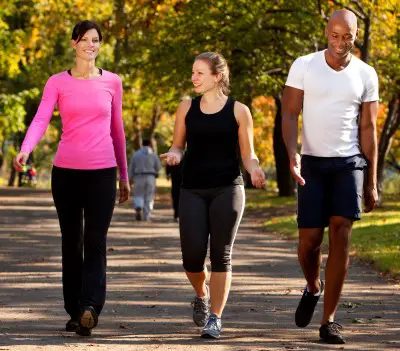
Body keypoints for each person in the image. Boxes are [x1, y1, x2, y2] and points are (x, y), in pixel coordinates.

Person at [13, 20, 130, 336]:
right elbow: (40, 120)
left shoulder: (113, 83)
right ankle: (75, 310)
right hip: (65, 173)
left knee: (95, 240)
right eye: (86, 39)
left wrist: (124, 175)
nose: (92, 45)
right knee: (71, 241)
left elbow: (117, 131)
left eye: (97, 40)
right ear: (74, 42)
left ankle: (90, 307)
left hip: (103, 173)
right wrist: (26, 150)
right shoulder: (56, 83)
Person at [282, 9, 379, 344]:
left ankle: (330, 321)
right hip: (311, 163)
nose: (340, 43)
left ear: (355, 36)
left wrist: (372, 181)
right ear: (326, 31)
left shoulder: (366, 74)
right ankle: (313, 286)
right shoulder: (304, 65)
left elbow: (368, 129)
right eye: (334, 36)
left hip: (348, 163)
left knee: (341, 232)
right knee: (308, 244)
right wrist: (293, 154)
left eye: (347, 37)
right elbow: (290, 112)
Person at [161, 52, 265, 339]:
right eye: (193, 72)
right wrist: (173, 154)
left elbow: (248, 154)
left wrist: (255, 170)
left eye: (199, 73)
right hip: (192, 188)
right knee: (191, 258)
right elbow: (178, 145)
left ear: (217, 76)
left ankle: (215, 318)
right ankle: (201, 293)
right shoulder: (186, 108)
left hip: (228, 188)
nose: (193, 77)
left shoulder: (239, 111)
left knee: (221, 255)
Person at [128, 139, 161, 221]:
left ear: (142, 144)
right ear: (150, 144)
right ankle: (147, 216)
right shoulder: (154, 155)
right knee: (149, 197)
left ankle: (138, 206)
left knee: (138, 194)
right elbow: (158, 167)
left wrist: (129, 179)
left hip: (139, 177)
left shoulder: (136, 154)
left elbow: (131, 167)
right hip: (150, 177)